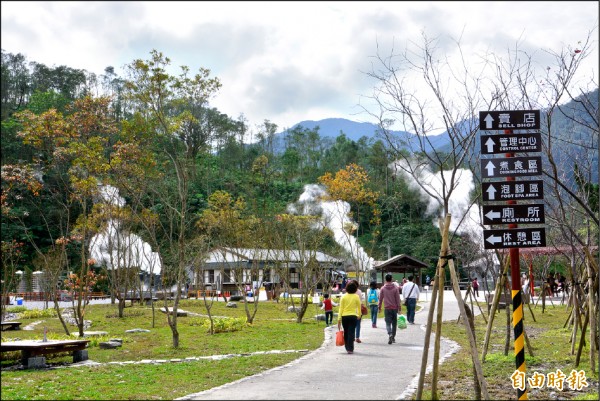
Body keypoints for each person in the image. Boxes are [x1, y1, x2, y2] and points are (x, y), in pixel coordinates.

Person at [337, 280, 361, 354]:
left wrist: (339, 318)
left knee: (346, 332)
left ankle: (347, 347)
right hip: (353, 316)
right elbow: (359, 307)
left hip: (344, 316)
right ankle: (350, 348)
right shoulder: (356, 296)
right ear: (355, 289)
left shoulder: (343, 297)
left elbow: (341, 308)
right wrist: (359, 315)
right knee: (351, 332)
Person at [378, 273, 401, 344]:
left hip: (387, 308)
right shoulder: (395, 288)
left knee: (388, 323)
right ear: (391, 279)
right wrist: (399, 307)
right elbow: (398, 298)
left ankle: (390, 333)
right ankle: (393, 337)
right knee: (394, 323)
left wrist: (379, 307)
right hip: (394, 308)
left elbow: (380, 299)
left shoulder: (383, 288)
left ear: (385, 279)